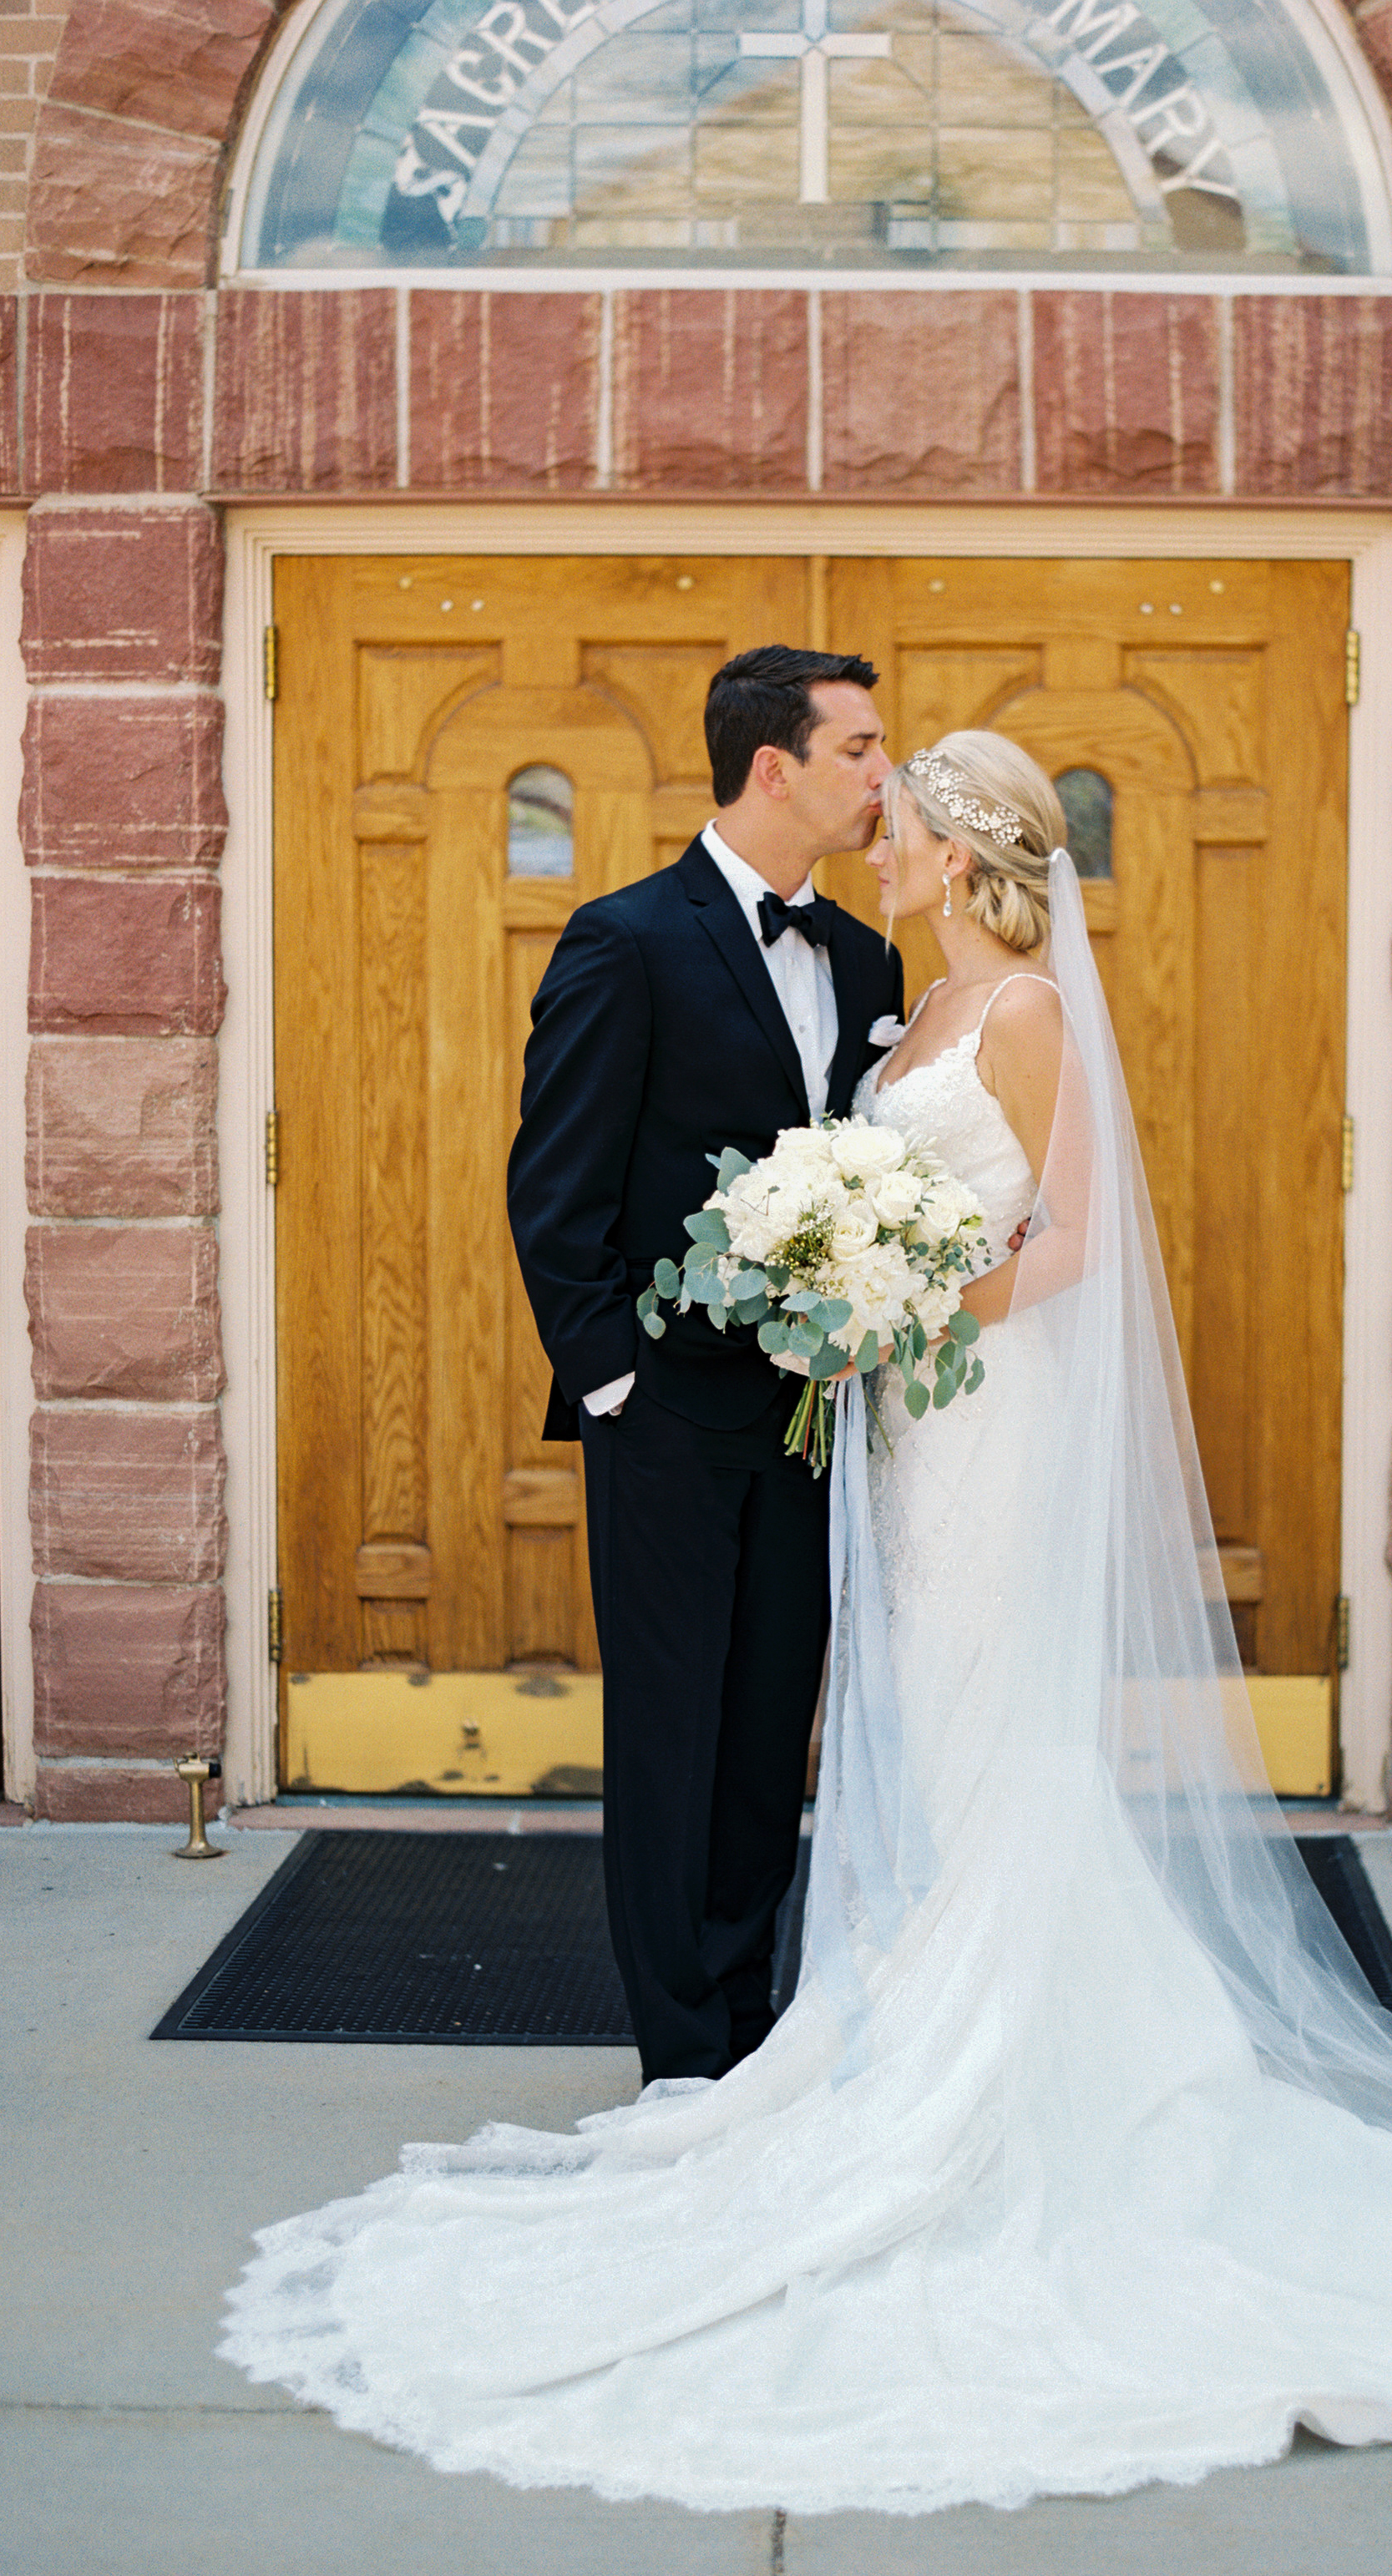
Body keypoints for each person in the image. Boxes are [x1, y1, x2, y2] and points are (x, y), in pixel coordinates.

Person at [224, 731, 1392, 2516]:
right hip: (902, 1432)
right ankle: (915, 2005)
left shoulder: (1022, 1021)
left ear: (970, 854)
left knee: (999, 1719)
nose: (875, 838)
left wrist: (894, 1305)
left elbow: (1062, 1246)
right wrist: (835, 1295)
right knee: (919, 1714)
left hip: (976, 1411)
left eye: (899, 822)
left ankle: (1017, 2056)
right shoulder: (897, 1014)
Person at [503, 646, 903, 2084]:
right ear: (773, 768)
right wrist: (615, 1383)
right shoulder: (627, 938)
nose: (883, 777)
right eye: (859, 750)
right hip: (665, 1413)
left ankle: (752, 2022)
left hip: (810, 1416)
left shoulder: (864, 959)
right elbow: (557, 1190)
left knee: (764, 1729)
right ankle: (680, 2057)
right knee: (672, 1734)